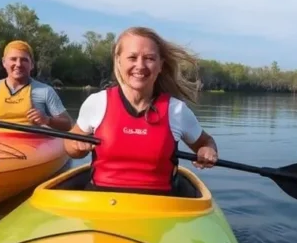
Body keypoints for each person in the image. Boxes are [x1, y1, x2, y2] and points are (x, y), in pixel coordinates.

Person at [63, 26, 219, 193]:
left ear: (160, 65)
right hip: (102, 203)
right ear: (118, 61)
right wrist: (76, 145)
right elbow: (70, 148)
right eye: (132, 57)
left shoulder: (177, 110)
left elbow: (205, 142)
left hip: (160, 205)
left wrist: (207, 150)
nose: (140, 65)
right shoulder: (97, 102)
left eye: (149, 58)